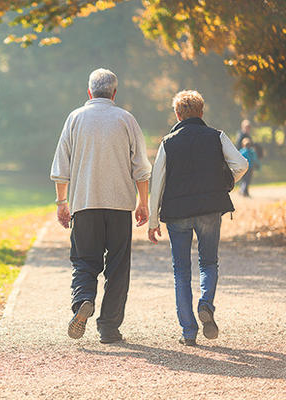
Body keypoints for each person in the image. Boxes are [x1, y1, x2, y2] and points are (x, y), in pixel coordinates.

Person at [50, 68, 151, 343]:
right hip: (119, 207)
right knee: (118, 267)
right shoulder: (126, 119)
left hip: (84, 204)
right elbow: (141, 168)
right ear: (114, 93)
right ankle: (109, 328)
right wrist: (143, 203)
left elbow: (62, 167)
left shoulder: (75, 119)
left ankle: (83, 300)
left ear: (89, 92)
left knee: (84, 261)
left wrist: (62, 202)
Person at [148, 90, 248, 346]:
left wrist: (153, 220)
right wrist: (225, 182)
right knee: (209, 263)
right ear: (202, 112)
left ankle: (188, 332)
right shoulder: (217, 136)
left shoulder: (168, 142)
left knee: (181, 271)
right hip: (210, 209)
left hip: (177, 213)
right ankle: (206, 304)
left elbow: (157, 181)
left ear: (178, 114)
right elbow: (241, 164)